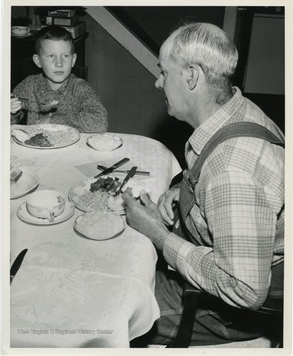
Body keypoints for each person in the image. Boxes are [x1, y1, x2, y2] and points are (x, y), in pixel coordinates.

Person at [123, 22, 284, 346]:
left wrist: (160, 236)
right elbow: (208, 165)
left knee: (115, 304)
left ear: (192, 76)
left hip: (236, 306)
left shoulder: (232, 171)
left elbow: (245, 289)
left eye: (164, 73)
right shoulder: (237, 108)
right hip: (236, 253)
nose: (158, 82)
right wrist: (183, 189)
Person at [10, 26, 108, 133]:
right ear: (38, 61)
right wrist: (12, 112)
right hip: (36, 147)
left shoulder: (80, 88)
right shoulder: (29, 84)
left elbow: (101, 123)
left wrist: (54, 120)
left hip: (70, 148)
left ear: (73, 60)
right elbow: (8, 123)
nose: (59, 63)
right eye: (51, 56)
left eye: (65, 56)